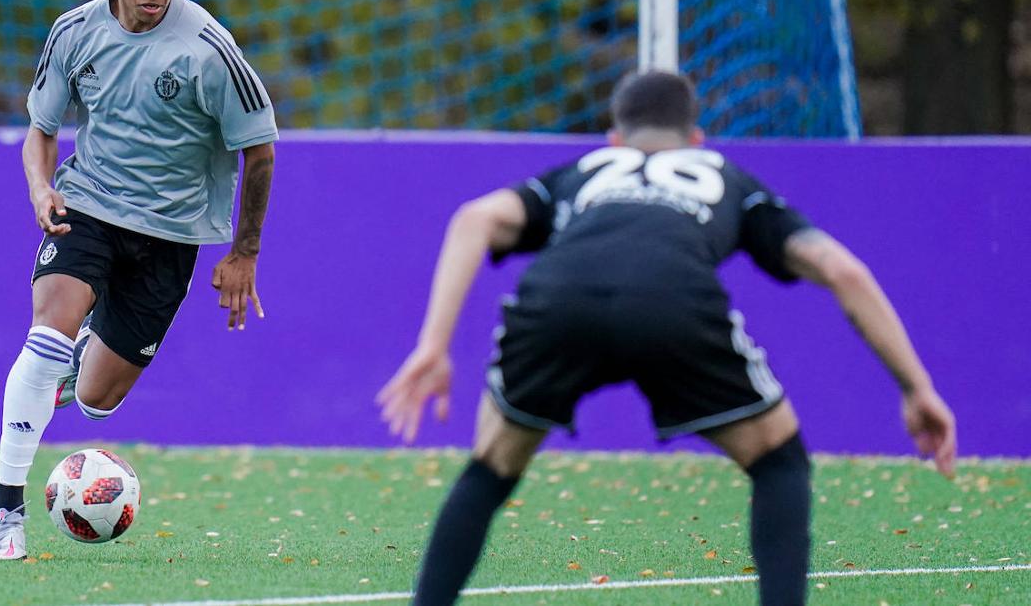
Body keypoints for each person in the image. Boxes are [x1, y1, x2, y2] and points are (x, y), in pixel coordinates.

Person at [376, 70, 956, 605]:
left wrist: (434, 345)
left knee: (493, 465)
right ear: (696, 140)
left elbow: (473, 219)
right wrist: (916, 387)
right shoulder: (726, 178)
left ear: (614, 140)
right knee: (778, 462)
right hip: (673, 303)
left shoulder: (585, 172)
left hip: (559, 300)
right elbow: (844, 271)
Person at [0, 0, 279, 560]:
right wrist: (40, 186)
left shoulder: (210, 49)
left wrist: (244, 253)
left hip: (170, 237)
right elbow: (41, 131)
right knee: (42, 340)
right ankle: (7, 510)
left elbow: (259, 152)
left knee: (95, 403)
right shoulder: (74, 32)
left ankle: (76, 359)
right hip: (85, 209)